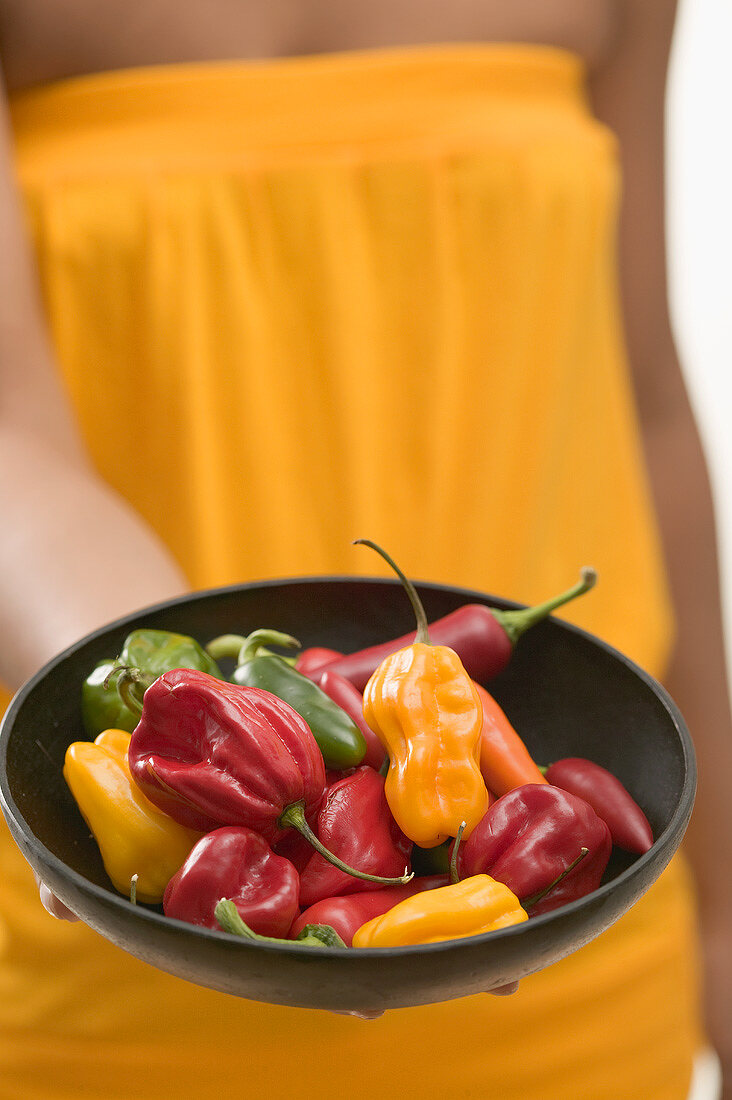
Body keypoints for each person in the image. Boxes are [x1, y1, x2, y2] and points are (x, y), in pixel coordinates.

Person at [1, 0, 730, 1096]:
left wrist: (722, 918)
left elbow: (643, 388)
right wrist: (201, 724)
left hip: (574, 924)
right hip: (134, 941)